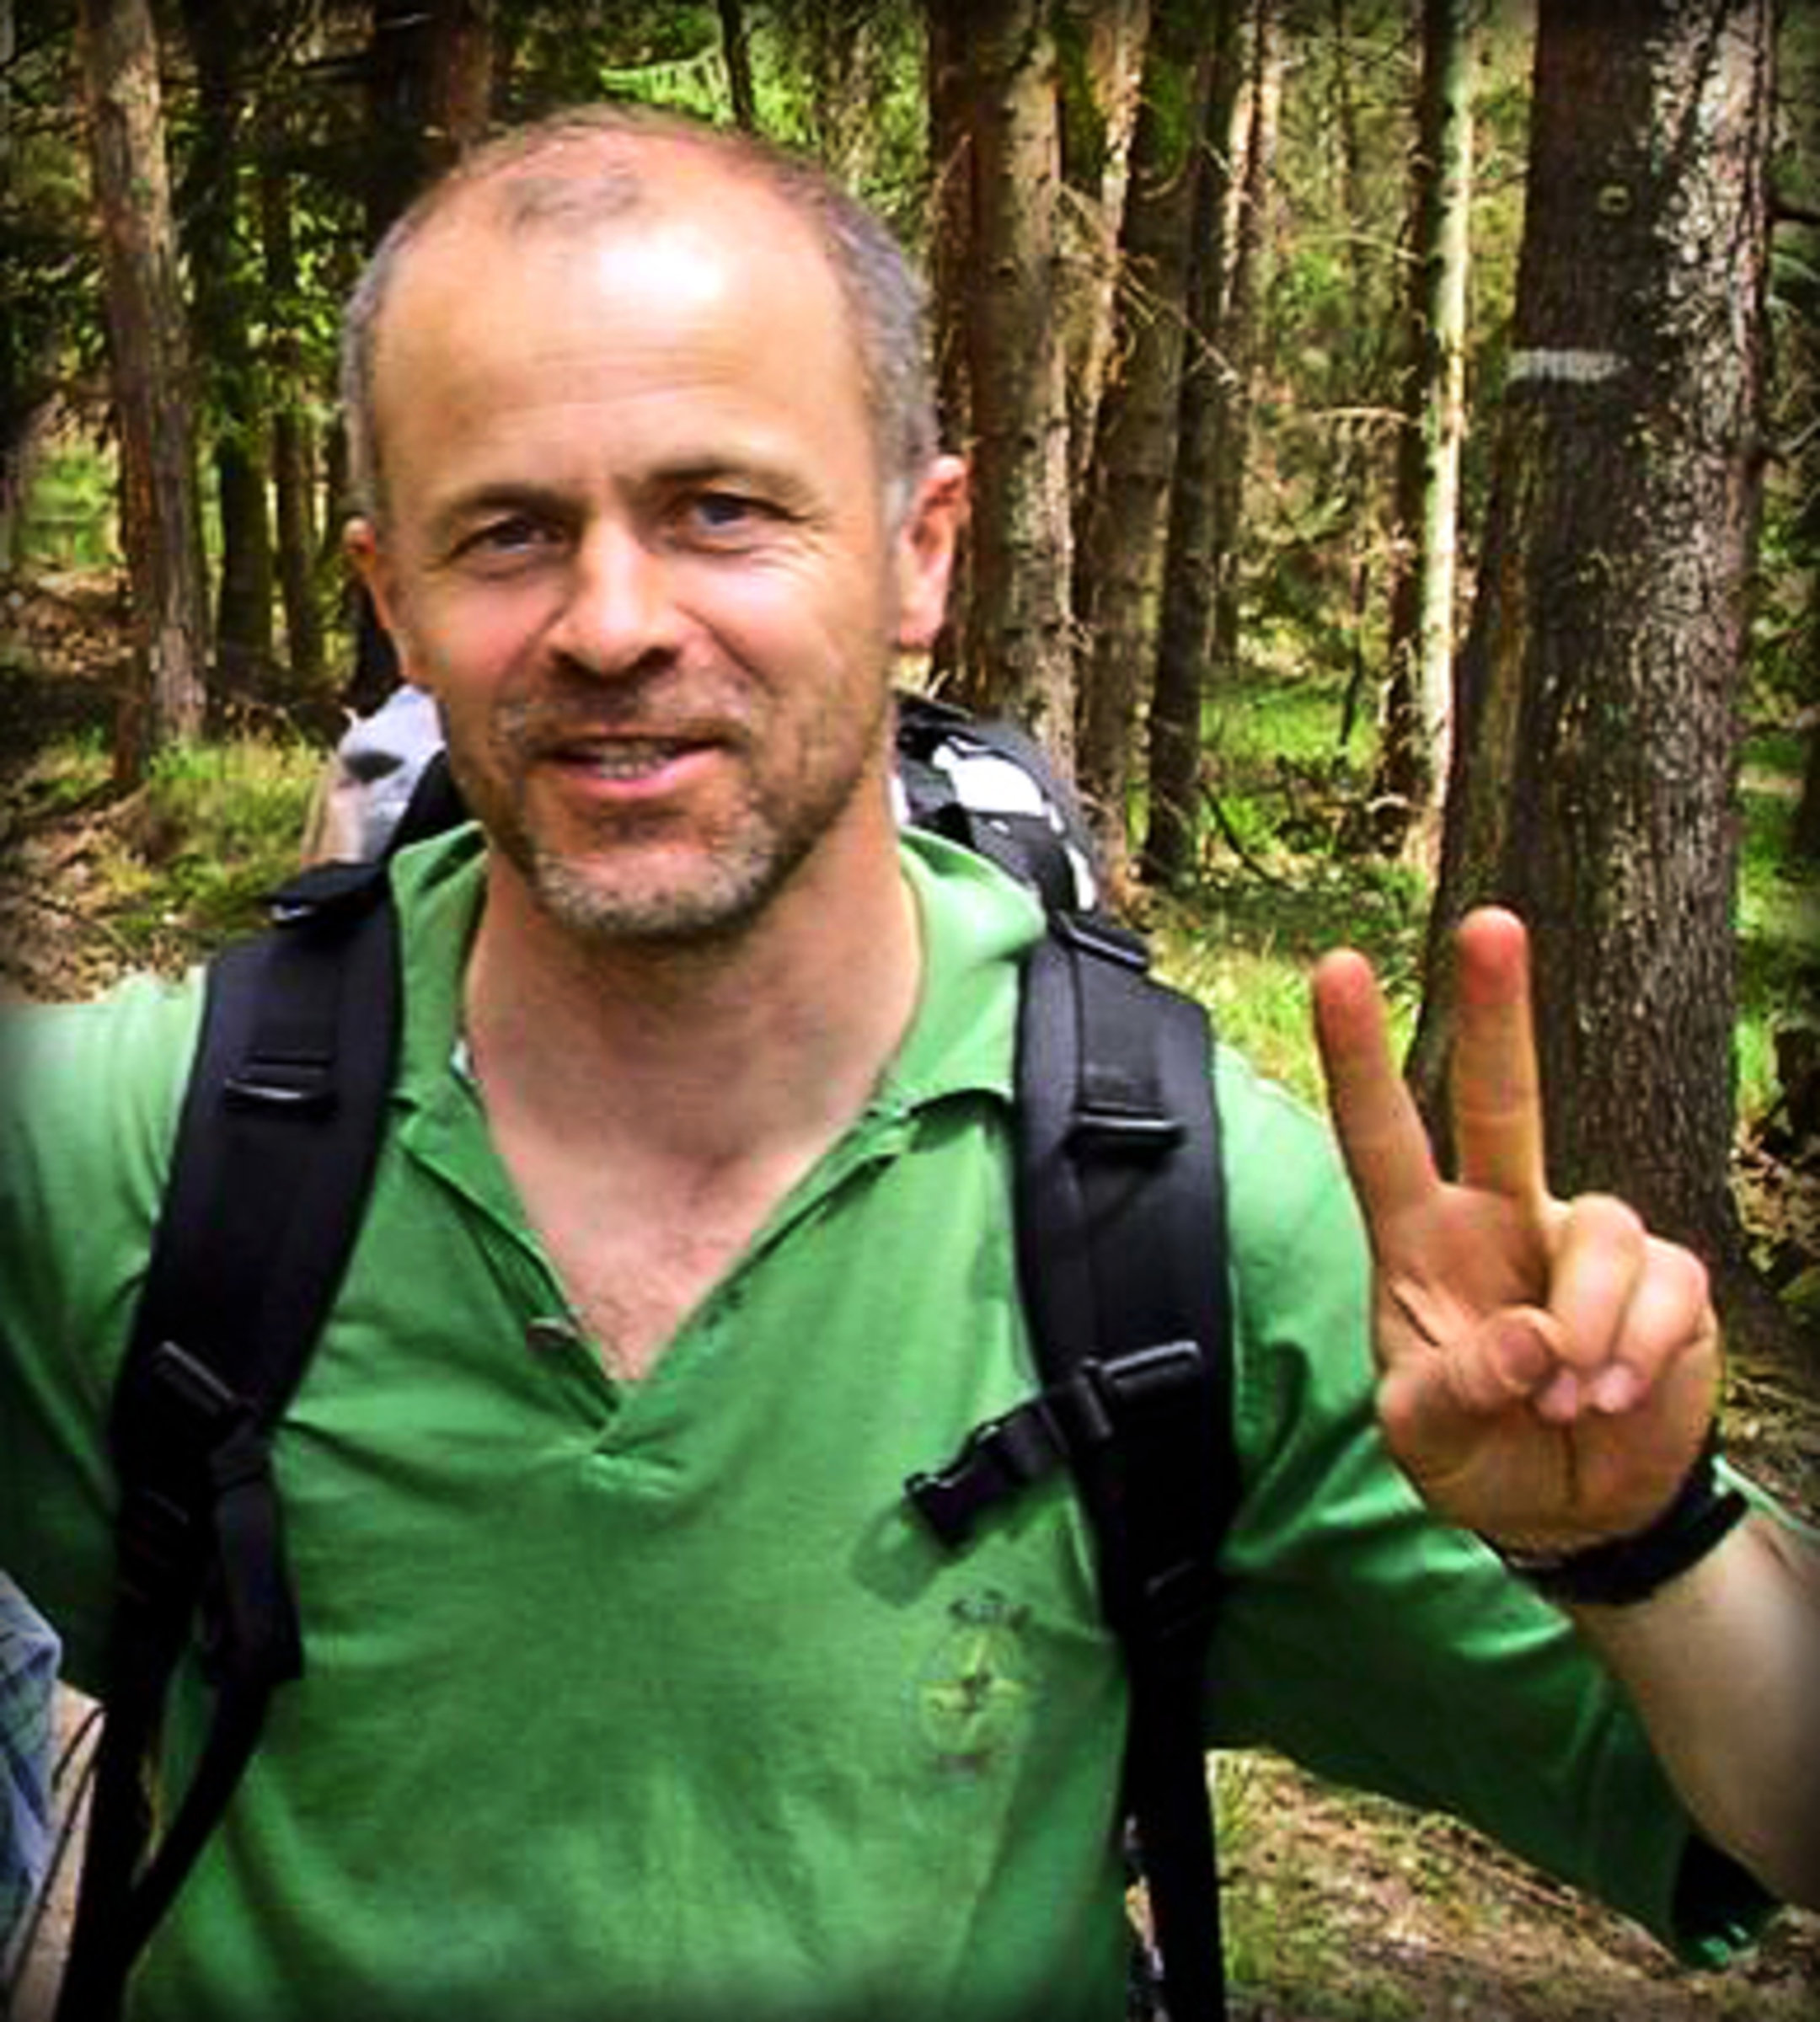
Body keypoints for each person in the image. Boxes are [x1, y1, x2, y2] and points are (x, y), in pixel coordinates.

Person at [1, 100, 1816, 2022]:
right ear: (396, 602)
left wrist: (1644, 1537)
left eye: (723, 508)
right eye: (510, 532)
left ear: (920, 548)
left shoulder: (1171, 1213)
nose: (614, 623)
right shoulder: (134, 1149)